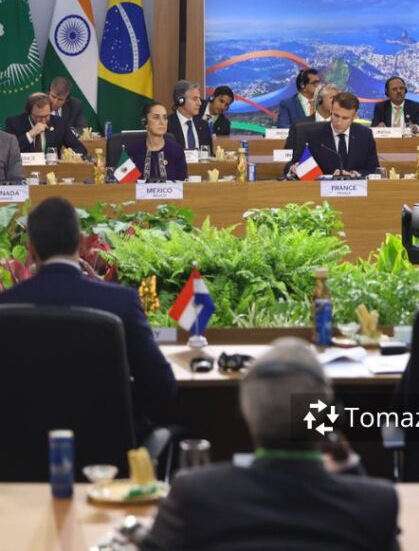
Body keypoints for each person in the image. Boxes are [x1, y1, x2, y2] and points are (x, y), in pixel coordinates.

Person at [141, 338, 399, 551]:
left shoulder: (192, 495)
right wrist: (353, 469)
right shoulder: (377, 503)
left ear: (245, 412)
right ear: (327, 416)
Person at [0, 197, 177, 436]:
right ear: (83, 243)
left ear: (30, 248)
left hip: (21, 453)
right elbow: (162, 389)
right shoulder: (121, 303)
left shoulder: (5, 306)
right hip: (109, 451)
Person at [288, 91, 380, 178]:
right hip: (320, 188)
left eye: (345, 118)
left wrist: (353, 174)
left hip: (357, 188)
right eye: (336, 115)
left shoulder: (365, 135)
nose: (339, 122)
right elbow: (294, 164)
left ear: (355, 116)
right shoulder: (312, 135)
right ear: (331, 110)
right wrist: (293, 168)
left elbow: (374, 170)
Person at [5, 91, 88, 157]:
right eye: (39, 117)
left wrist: (70, 155)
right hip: (23, 170)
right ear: (29, 112)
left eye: (47, 115)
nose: (43, 120)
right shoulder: (14, 123)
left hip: (52, 170)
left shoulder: (59, 123)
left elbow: (80, 148)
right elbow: (7, 150)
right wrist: (30, 135)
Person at [126, 103, 189, 182]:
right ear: (144, 121)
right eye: (156, 117)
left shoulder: (177, 151)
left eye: (165, 118)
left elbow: (183, 184)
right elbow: (123, 185)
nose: (162, 122)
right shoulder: (132, 151)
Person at [283, 83, 340, 155]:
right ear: (319, 100)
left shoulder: (345, 125)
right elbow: (287, 156)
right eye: (333, 98)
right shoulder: (299, 126)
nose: (338, 102)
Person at [166, 80, 213, 151]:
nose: (199, 103)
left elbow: (209, 153)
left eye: (199, 99)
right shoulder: (167, 124)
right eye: (194, 99)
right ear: (181, 101)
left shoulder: (203, 125)